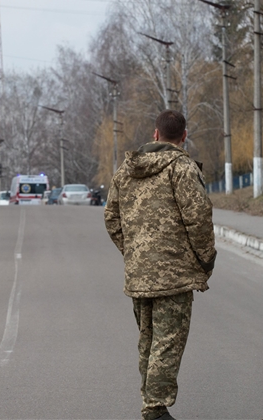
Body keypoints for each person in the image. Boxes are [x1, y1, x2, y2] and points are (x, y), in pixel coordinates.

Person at [104, 110, 216, 420]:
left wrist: (134, 252)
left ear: (155, 134)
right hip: (174, 275)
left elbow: (111, 218)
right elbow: (199, 218)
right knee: (167, 342)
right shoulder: (182, 168)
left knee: (149, 341)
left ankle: (151, 403)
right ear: (184, 136)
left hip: (139, 274)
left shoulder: (126, 170)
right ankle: (155, 408)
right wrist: (206, 259)